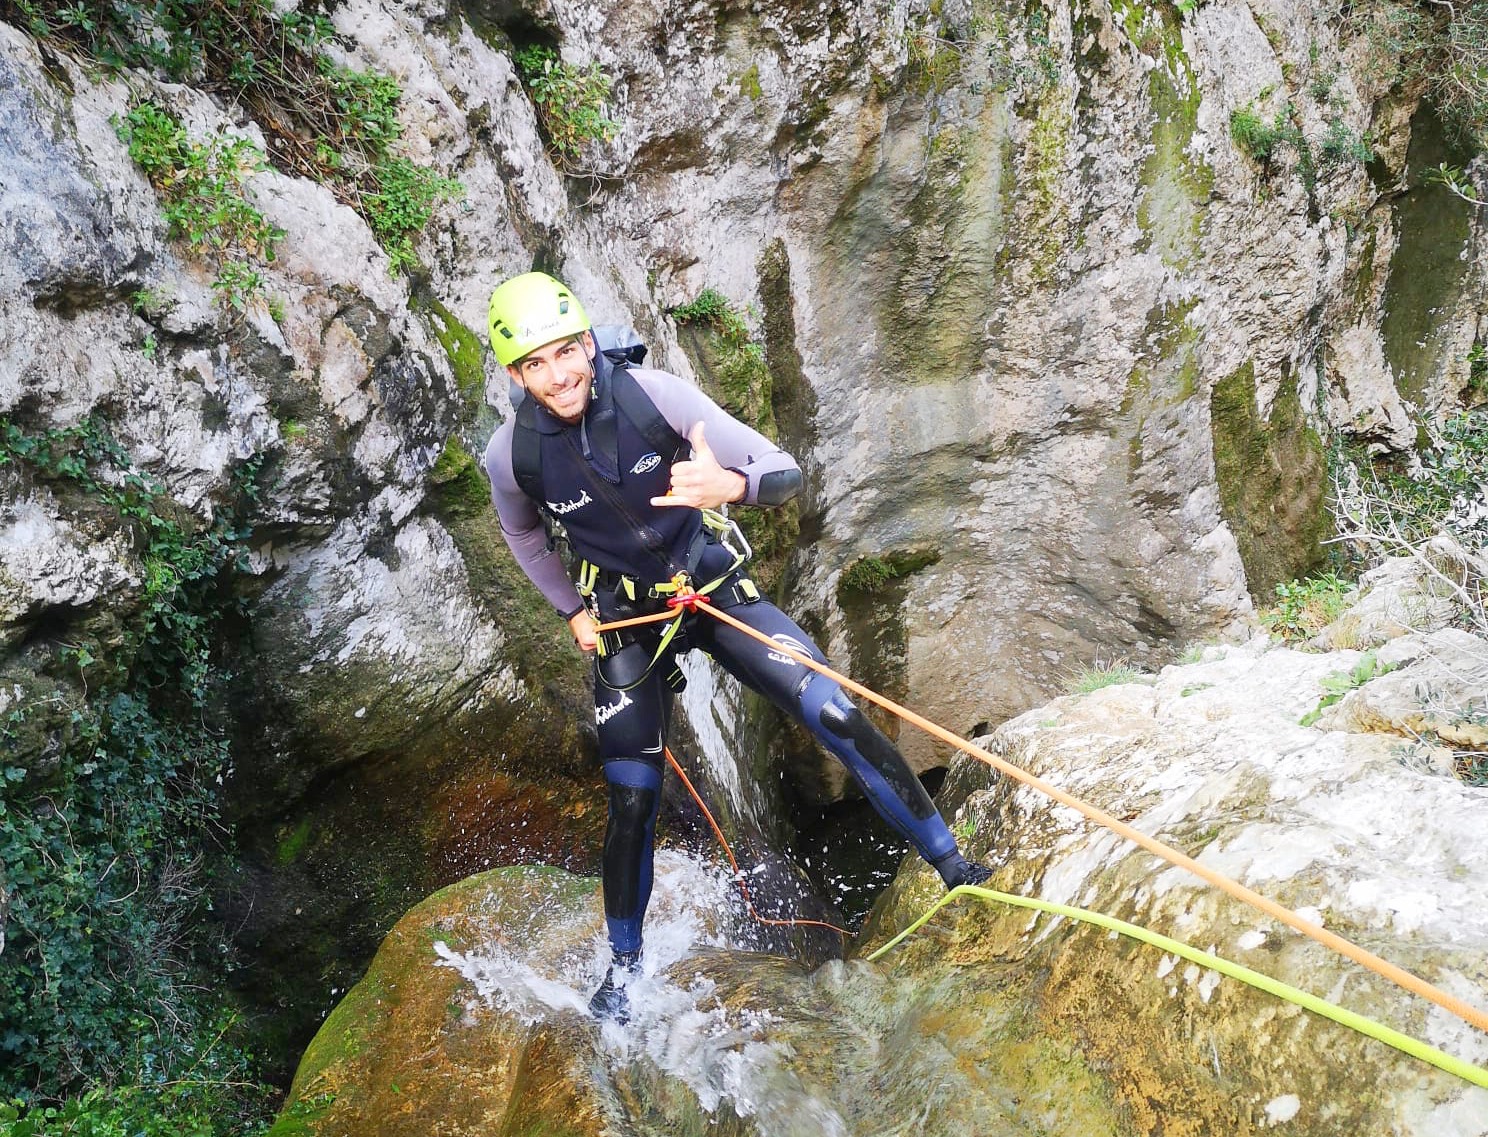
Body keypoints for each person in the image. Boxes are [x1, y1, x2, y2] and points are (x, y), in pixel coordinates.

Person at [482, 272, 990, 1021]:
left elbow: (783, 472)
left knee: (836, 712)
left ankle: (954, 865)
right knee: (632, 796)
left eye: (566, 351)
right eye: (536, 363)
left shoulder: (654, 398)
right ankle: (625, 965)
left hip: (709, 586)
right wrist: (570, 611)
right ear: (517, 375)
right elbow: (522, 532)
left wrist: (727, 484)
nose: (558, 375)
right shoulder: (513, 454)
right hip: (626, 613)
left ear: (588, 343)